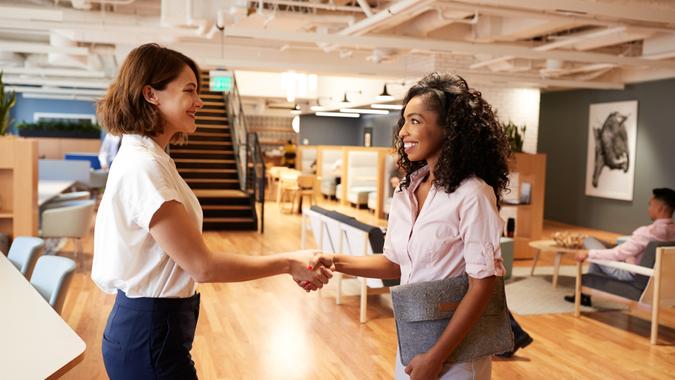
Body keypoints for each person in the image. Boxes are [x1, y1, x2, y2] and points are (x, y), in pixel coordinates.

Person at [91, 43, 330, 379]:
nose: (200, 101)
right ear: (151, 94)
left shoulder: (150, 159)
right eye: (190, 91)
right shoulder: (144, 167)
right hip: (148, 336)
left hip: (150, 331)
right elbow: (202, 266)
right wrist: (289, 262)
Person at [308, 72, 511, 379]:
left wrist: (436, 358)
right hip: (413, 339)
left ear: (449, 129)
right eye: (403, 121)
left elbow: (482, 285)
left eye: (415, 121)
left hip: (455, 356)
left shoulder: (473, 195)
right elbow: (394, 264)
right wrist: (334, 261)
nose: (403, 131)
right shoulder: (407, 190)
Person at [566, 187, 675, 306]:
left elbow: (617, 254)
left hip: (630, 273)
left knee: (590, 242)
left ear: (660, 208)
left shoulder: (647, 232)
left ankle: (583, 295)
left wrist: (588, 254)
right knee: (603, 250)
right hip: (659, 279)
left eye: (650, 205)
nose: (648, 209)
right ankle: (583, 295)